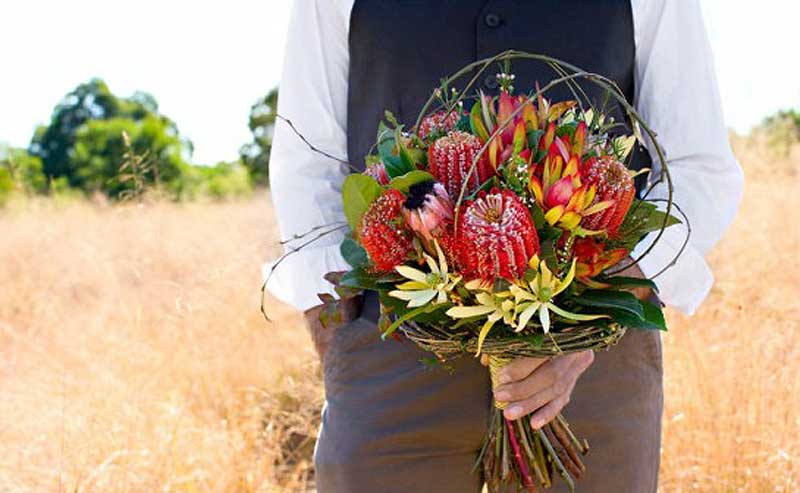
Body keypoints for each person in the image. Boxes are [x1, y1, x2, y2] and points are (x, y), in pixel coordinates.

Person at [265, 1, 744, 491]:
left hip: (594, 371)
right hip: (390, 361)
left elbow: (697, 167)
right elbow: (306, 166)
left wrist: (593, 325)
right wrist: (341, 339)